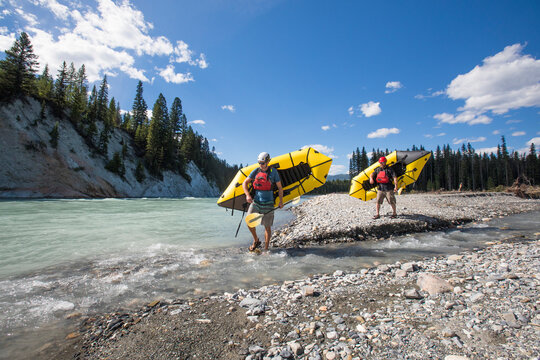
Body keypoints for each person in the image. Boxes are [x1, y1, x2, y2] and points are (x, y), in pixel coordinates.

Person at [242, 152, 284, 251]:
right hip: (256, 202)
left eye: (263, 163)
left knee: (267, 227)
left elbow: (280, 188)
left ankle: (266, 249)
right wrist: (247, 195)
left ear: (268, 161)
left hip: (269, 203)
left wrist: (281, 201)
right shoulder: (255, 171)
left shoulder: (274, 172)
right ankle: (256, 240)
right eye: (259, 163)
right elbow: (245, 183)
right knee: (249, 221)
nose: (261, 165)